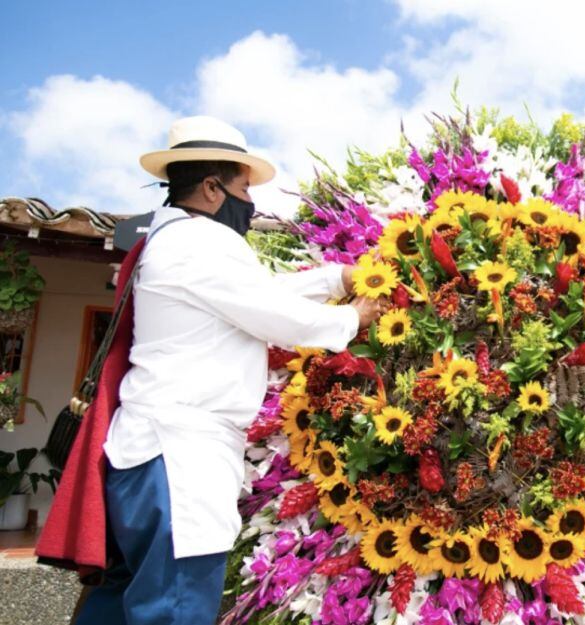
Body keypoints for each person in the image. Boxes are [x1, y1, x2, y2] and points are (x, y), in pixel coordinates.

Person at [70, 116, 382, 624]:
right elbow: (277, 316)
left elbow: (253, 294)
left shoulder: (174, 242)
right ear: (213, 189)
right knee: (174, 606)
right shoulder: (200, 243)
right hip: (179, 457)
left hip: (153, 456)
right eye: (243, 188)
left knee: (123, 602)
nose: (250, 204)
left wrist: (335, 277)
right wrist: (354, 314)